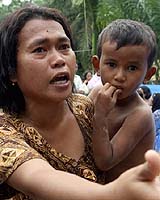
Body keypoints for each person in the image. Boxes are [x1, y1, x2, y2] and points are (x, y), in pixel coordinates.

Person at [0, 5, 160, 200]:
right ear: (11, 71)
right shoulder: (4, 130)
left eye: (64, 47)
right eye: (40, 49)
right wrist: (112, 194)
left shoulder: (86, 108)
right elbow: (38, 176)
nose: (59, 59)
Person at [89, 19, 157, 183]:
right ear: (97, 65)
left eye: (132, 68)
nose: (119, 76)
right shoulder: (97, 92)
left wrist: (100, 115)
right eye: (111, 64)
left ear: (148, 74)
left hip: (128, 193)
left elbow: (105, 161)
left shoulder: (140, 114)